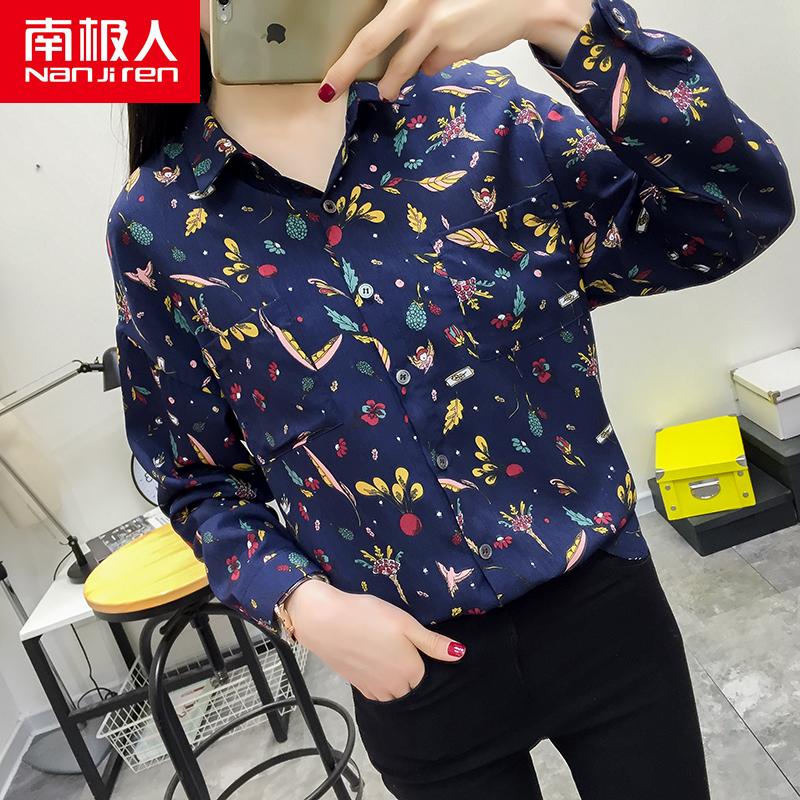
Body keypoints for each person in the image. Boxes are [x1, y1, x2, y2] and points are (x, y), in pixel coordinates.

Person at [106, 0, 794, 796]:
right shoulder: (156, 224)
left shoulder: (486, 117)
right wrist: (301, 605)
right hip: (409, 666)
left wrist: (558, 19)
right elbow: (198, 477)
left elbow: (730, 216)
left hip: (602, 605)